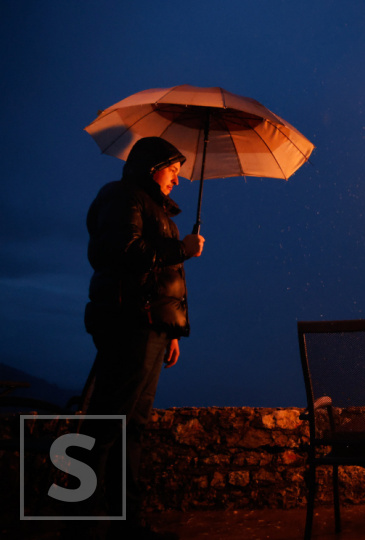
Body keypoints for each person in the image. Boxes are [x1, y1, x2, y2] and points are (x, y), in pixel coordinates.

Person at [81, 136, 204, 538]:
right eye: (173, 171)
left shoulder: (156, 209)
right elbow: (121, 253)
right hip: (129, 324)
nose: (178, 181)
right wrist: (180, 250)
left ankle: (126, 522)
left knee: (131, 425)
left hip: (152, 326)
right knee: (106, 422)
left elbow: (160, 281)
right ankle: (78, 521)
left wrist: (172, 332)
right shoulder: (123, 198)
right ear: (153, 167)